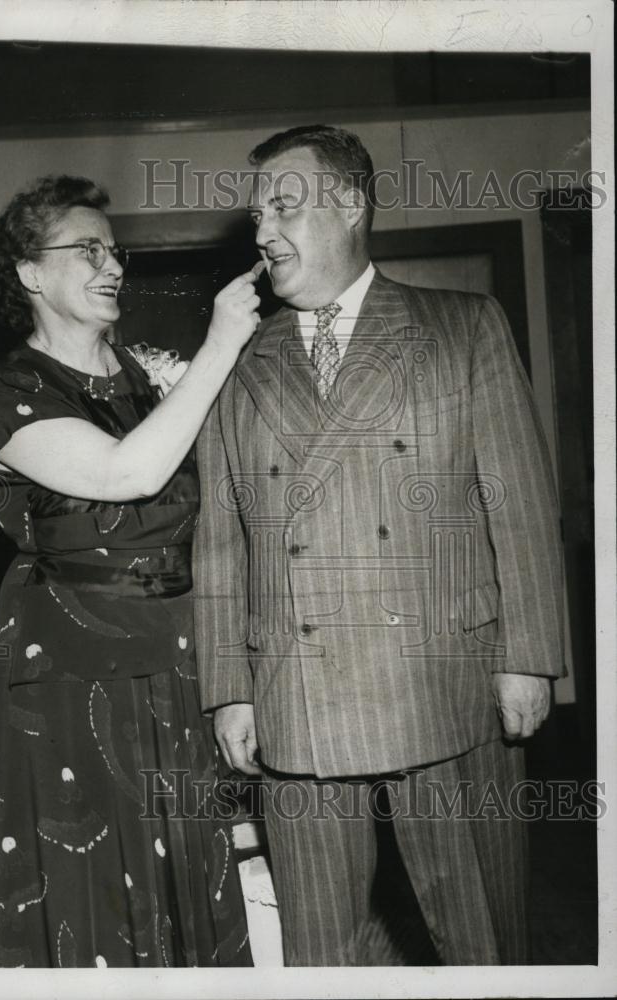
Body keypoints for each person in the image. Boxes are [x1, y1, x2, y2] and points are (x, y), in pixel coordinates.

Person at [193, 125, 565, 966]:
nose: (262, 232)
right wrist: (228, 689)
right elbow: (220, 541)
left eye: (284, 206)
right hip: (294, 692)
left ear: (351, 206)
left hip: (446, 680)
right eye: (256, 215)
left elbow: (518, 504)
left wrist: (530, 657)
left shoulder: (462, 326)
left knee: (480, 937)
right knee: (320, 947)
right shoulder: (237, 361)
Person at [0, 174, 260, 967]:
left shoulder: (140, 375)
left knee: (184, 874)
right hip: (72, 674)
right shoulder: (12, 392)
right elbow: (126, 474)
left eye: (115, 250)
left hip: (171, 658)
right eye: (88, 250)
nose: (113, 265)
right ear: (30, 274)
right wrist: (221, 344)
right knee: (91, 890)